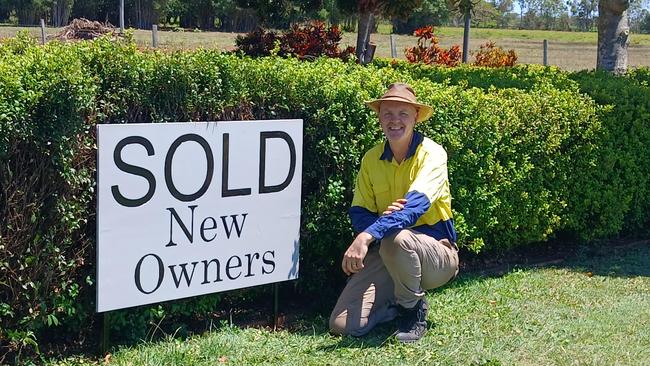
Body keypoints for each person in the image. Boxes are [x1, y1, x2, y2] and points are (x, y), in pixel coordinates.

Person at [329, 83, 459, 343]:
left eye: (403, 113)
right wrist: (383, 223)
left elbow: (414, 208)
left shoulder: (432, 154)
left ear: (416, 118)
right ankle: (394, 305)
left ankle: (412, 311)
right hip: (389, 253)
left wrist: (366, 237)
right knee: (341, 325)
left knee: (397, 238)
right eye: (388, 113)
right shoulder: (371, 159)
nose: (395, 120)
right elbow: (359, 212)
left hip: (436, 255)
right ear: (379, 117)